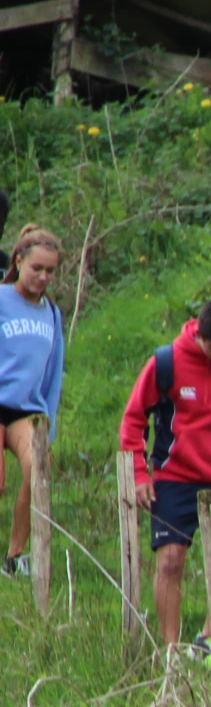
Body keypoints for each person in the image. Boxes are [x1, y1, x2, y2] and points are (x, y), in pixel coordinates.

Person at [119, 299, 211, 654]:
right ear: (200, 336)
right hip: (175, 477)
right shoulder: (166, 362)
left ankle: (206, 639)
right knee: (171, 560)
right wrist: (139, 473)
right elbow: (134, 419)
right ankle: (171, 652)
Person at [0, 225, 64, 579]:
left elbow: (53, 373)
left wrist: (48, 422)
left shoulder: (52, 314)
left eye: (50, 271)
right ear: (19, 261)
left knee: (37, 468)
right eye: (36, 268)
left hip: (28, 411)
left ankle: (15, 556)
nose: (43, 277)